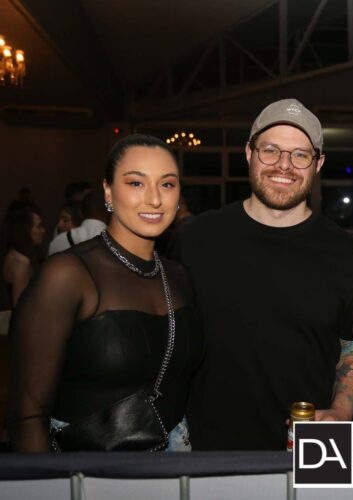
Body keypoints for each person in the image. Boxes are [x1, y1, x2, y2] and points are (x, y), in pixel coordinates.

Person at [173, 98, 353, 450]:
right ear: (249, 153)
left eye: (300, 155)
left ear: (318, 164)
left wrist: (341, 412)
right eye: (271, 150)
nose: (284, 165)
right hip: (209, 455)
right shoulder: (194, 240)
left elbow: (352, 348)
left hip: (313, 452)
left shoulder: (348, 254)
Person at [6, 134, 203, 452]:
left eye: (167, 184)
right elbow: (27, 417)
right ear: (108, 192)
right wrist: (49, 479)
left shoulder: (179, 277)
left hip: (177, 463)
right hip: (89, 468)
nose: (154, 199)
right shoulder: (68, 275)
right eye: (136, 183)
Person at [1, 206, 45, 308]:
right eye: (38, 226)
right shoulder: (21, 262)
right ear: (25, 230)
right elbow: (20, 307)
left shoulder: (11, 255)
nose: (43, 231)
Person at [48, 191, 109, 255]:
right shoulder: (113, 241)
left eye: (66, 220)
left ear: (79, 217)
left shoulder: (58, 242)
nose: (59, 225)